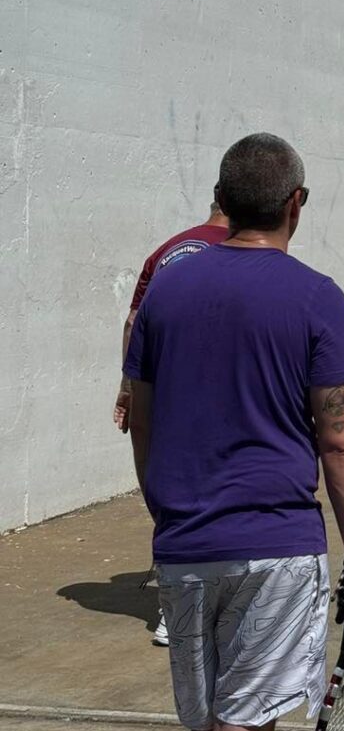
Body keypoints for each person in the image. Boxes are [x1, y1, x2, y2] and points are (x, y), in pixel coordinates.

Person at [125, 133, 344, 731]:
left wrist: (167, 514)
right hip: (275, 547)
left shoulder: (165, 292)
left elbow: (141, 420)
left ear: (222, 199)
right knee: (243, 727)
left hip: (183, 544)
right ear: (296, 203)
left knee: (207, 724)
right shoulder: (317, 296)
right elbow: (341, 440)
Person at [114, 198, 230, 646]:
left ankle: (176, 602)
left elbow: (133, 323)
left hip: (159, 390)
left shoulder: (165, 251)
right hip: (217, 391)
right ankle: (208, 600)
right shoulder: (244, 249)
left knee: (168, 490)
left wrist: (128, 385)